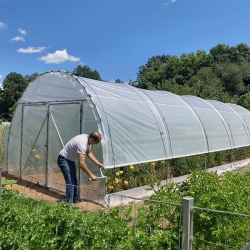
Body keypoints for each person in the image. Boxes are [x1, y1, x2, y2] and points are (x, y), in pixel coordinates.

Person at [57, 131, 104, 204]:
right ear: (91, 139)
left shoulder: (87, 139)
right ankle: (68, 204)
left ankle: (75, 198)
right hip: (63, 160)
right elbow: (81, 164)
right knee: (70, 182)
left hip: (70, 160)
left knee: (75, 181)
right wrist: (91, 175)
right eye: (96, 142)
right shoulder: (82, 143)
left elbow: (89, 153)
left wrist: (98, 164)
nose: (95, 144)